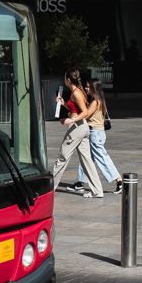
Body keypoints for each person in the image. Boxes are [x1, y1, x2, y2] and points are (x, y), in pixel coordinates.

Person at [50, 68, 105, 197]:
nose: (64, 80)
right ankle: (97, 191)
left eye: (64, 78)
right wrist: (64, 104)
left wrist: (71, 120)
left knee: (62, 157)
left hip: (78, 128)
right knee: (87, 160)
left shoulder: (77, 93)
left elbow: (84, 112)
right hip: (82, 128)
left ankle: (49, 188)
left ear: (68, 79)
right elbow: (75, 109)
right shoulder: (77, 91)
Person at [75, 79, 122, 193]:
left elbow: (85, 115)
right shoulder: (100, 100)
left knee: (102, 158)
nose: (86, 89)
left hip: (95, 134)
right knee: (87, 157)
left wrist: (72, 113)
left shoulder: (96, 102)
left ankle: (119, 181)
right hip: (97, 133)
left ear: (93, 88)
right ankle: (81, 182)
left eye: (87, 87)